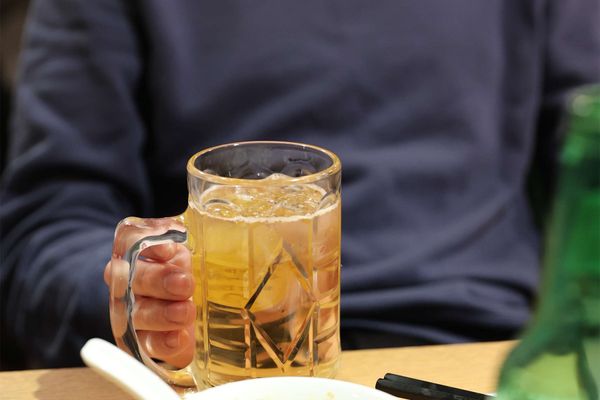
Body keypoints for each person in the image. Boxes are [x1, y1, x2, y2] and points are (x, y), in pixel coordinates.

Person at [1, 0, 599, 370]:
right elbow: (42, 231)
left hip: (472, 351)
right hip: (213, 375)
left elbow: (588, 157)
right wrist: (145, 298)